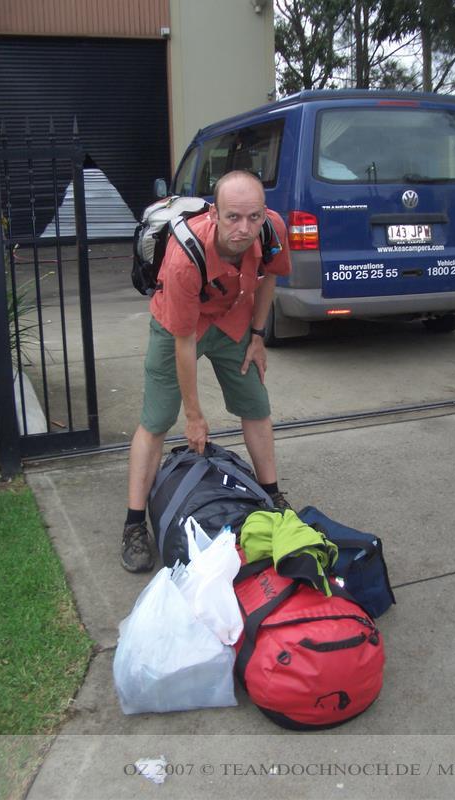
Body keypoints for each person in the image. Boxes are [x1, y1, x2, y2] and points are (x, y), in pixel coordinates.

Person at [121, 170, 292, 572]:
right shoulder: (185, 257)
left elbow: (269, 276)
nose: (244, 228)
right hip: (179, 327)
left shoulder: (272, 229)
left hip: (233, 320)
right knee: (156, 420)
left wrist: (257, 335)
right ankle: (133, 524)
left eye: (253, 217)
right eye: (233, 217)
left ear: (264, 213)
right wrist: (194, 416)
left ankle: (273, 496)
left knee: (256, 406)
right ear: (215, 214)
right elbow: (184, 341)